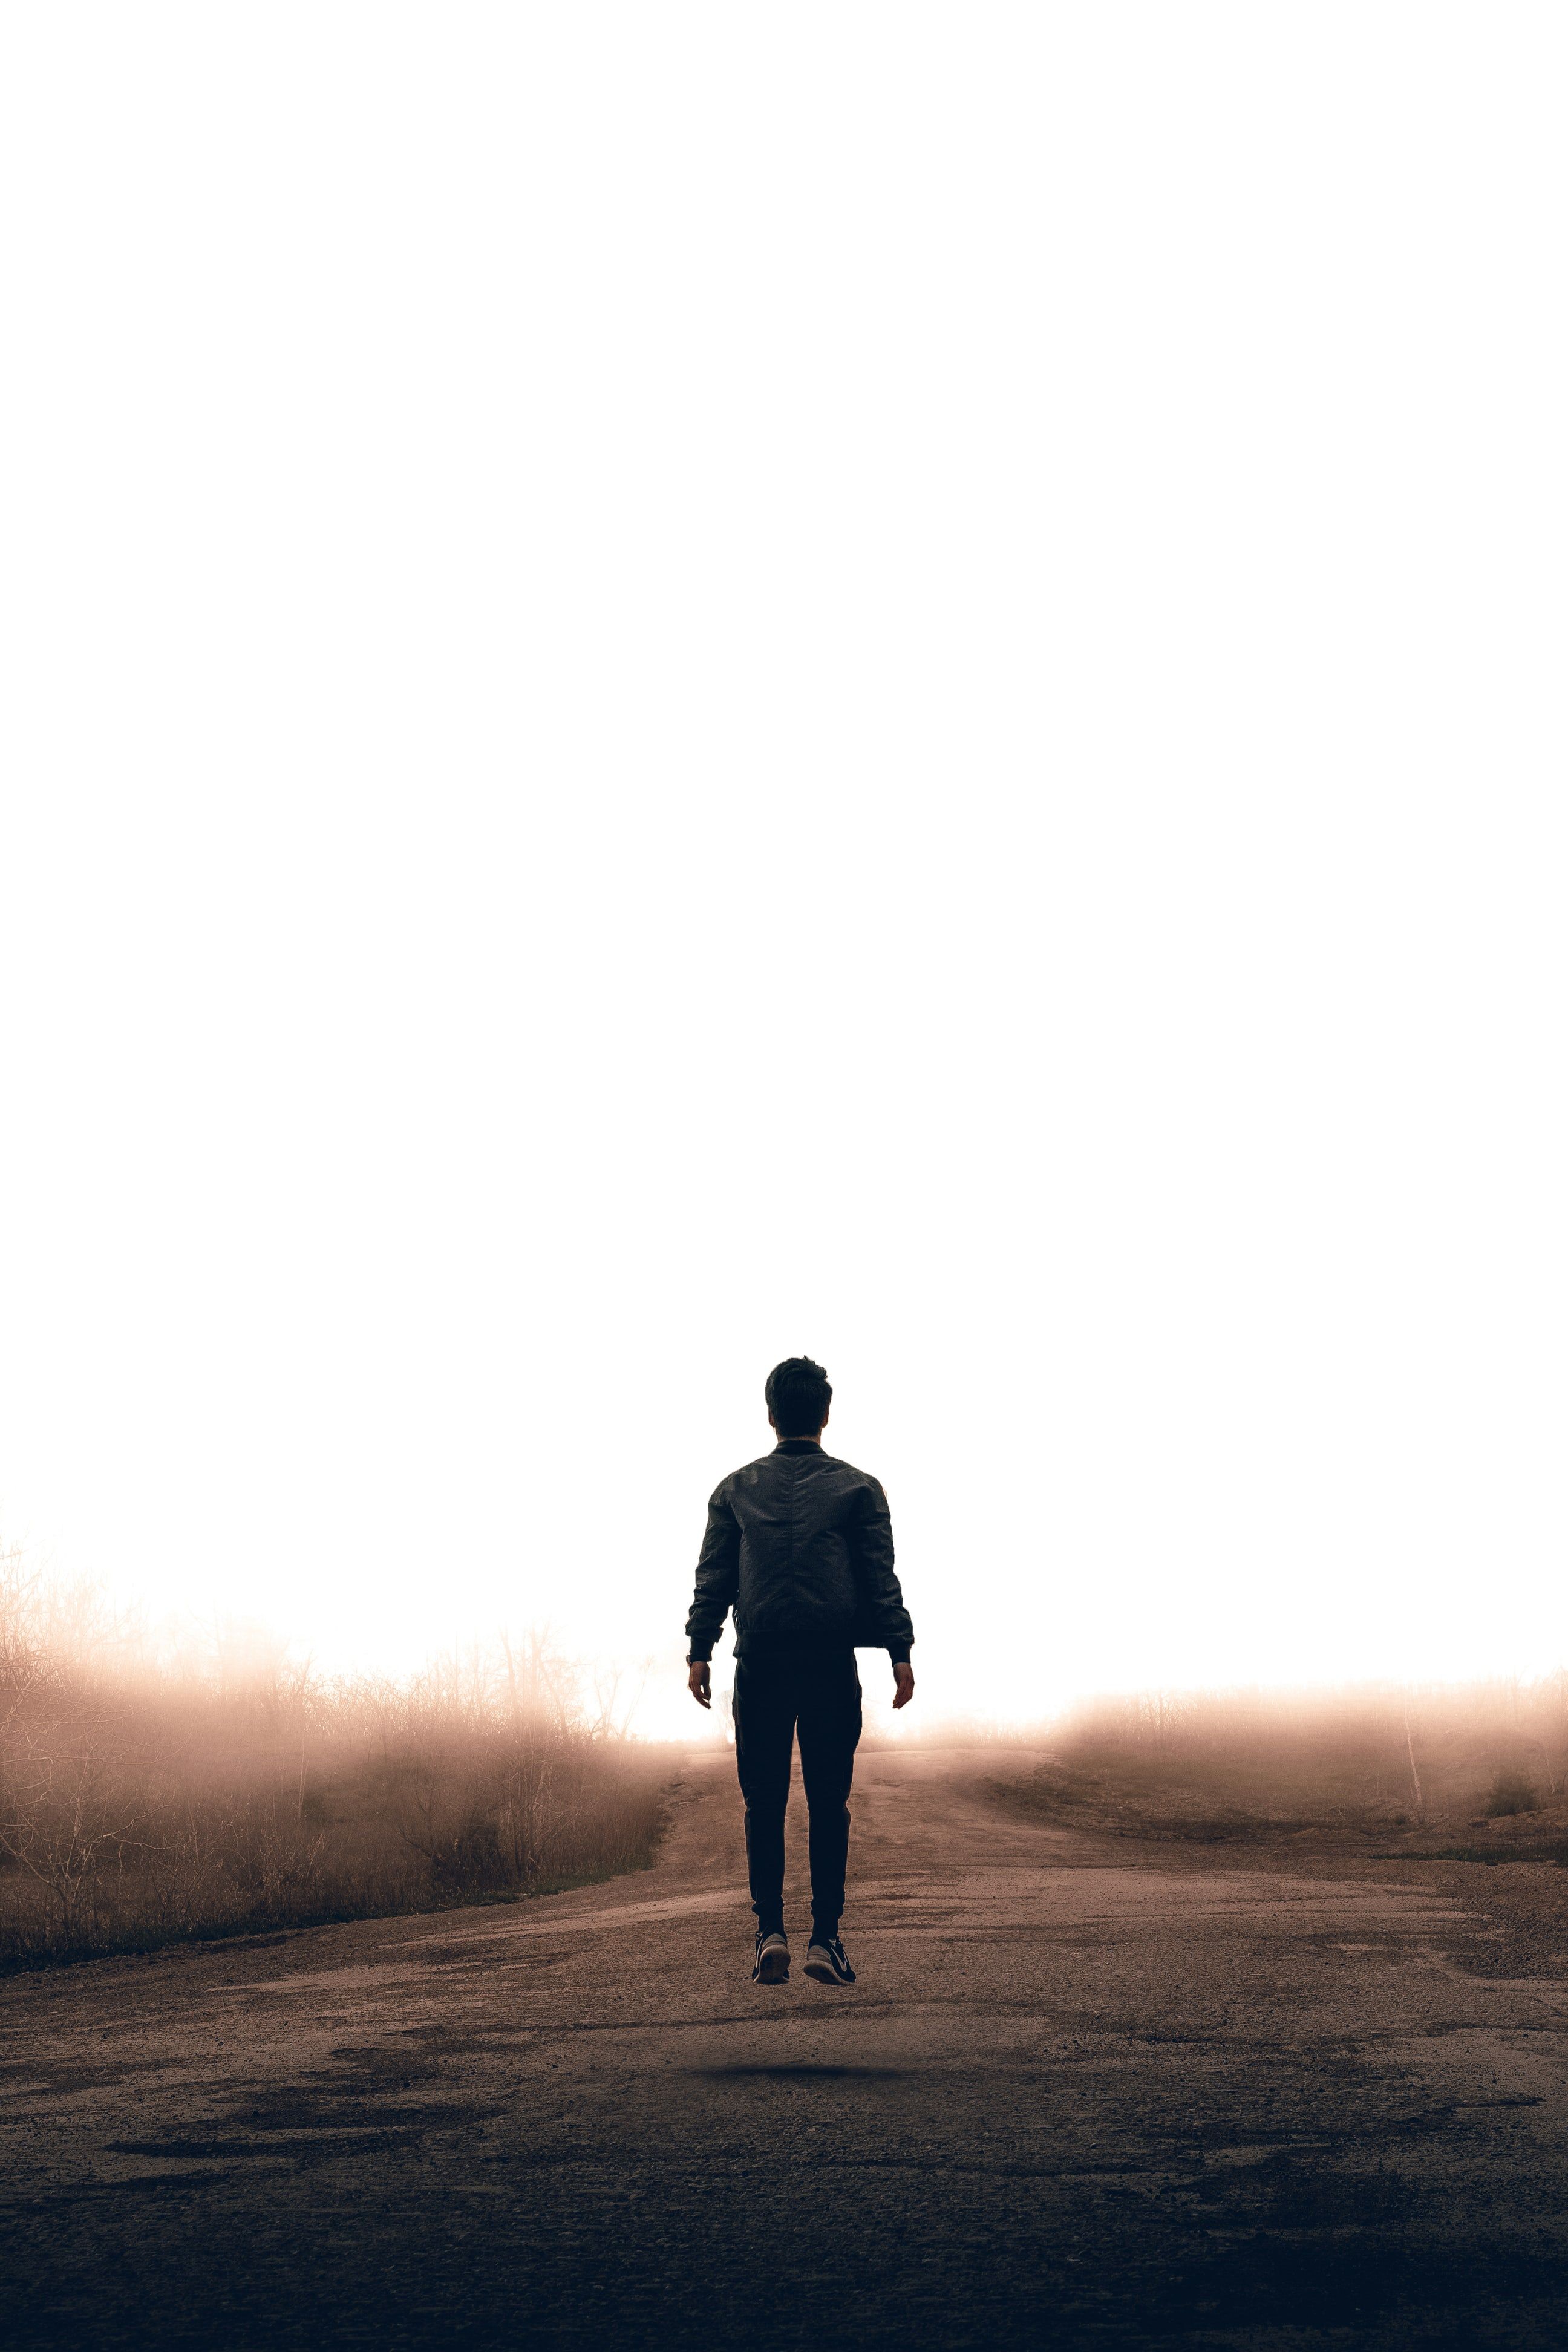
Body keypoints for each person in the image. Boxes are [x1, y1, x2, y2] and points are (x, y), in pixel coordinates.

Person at [685, 1356, 915, 1987]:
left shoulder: (735, 1489)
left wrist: (700, 1648)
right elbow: (878, 1576)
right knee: (827, 1803)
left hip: (759, 1661)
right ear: (826, 1414)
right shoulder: (858, 1489)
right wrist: (899, 1651)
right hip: (826, 1662)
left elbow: (715, 1577)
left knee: (763, 1803)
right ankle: (826, 1939)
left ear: (770, 1414)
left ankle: (769, 1932)